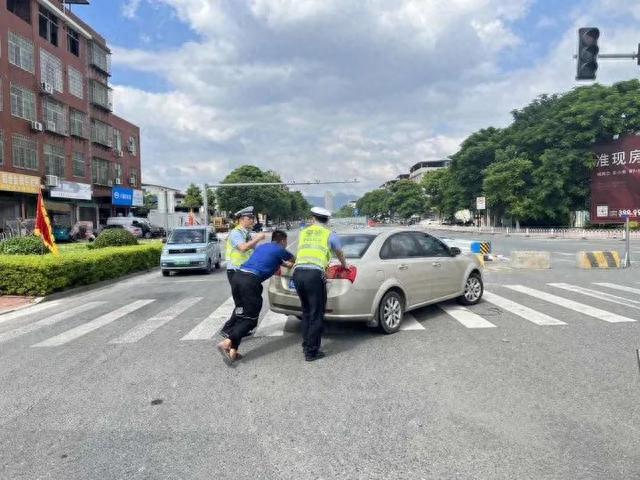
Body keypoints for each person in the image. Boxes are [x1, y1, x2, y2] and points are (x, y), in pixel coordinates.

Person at [218, 230, 295, 364]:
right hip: (250, 282)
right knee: (251, 321)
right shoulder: (280, 249)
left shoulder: (263, 247)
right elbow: (294, 260)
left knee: (242, 316)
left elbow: (269, 259)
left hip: (238, 277)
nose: (286, 243)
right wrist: (291, 264)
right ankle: (227, 342)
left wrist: (284, 264)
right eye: (286, 241)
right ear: (282, 241)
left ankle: (232, 352)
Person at [293, 207, 348, 362]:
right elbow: (340, 253)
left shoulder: (303, 232)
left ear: (312, 218)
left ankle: (306, 345)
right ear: (327, 220)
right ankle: (311, 352)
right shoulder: (330, 234)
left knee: (306, 312)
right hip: (314, 275)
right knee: (316, 314)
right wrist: (345, 265)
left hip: (297, 274)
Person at [225, 206, 265, 284]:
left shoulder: (245, 233)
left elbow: (252, 247)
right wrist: (258, 239)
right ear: (241, 220)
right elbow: (243, 248)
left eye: (252, 218)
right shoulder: (236, 232)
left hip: (244, 269)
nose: (252, 220)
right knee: (243, 295)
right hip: (235, 269)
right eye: (249, 218)